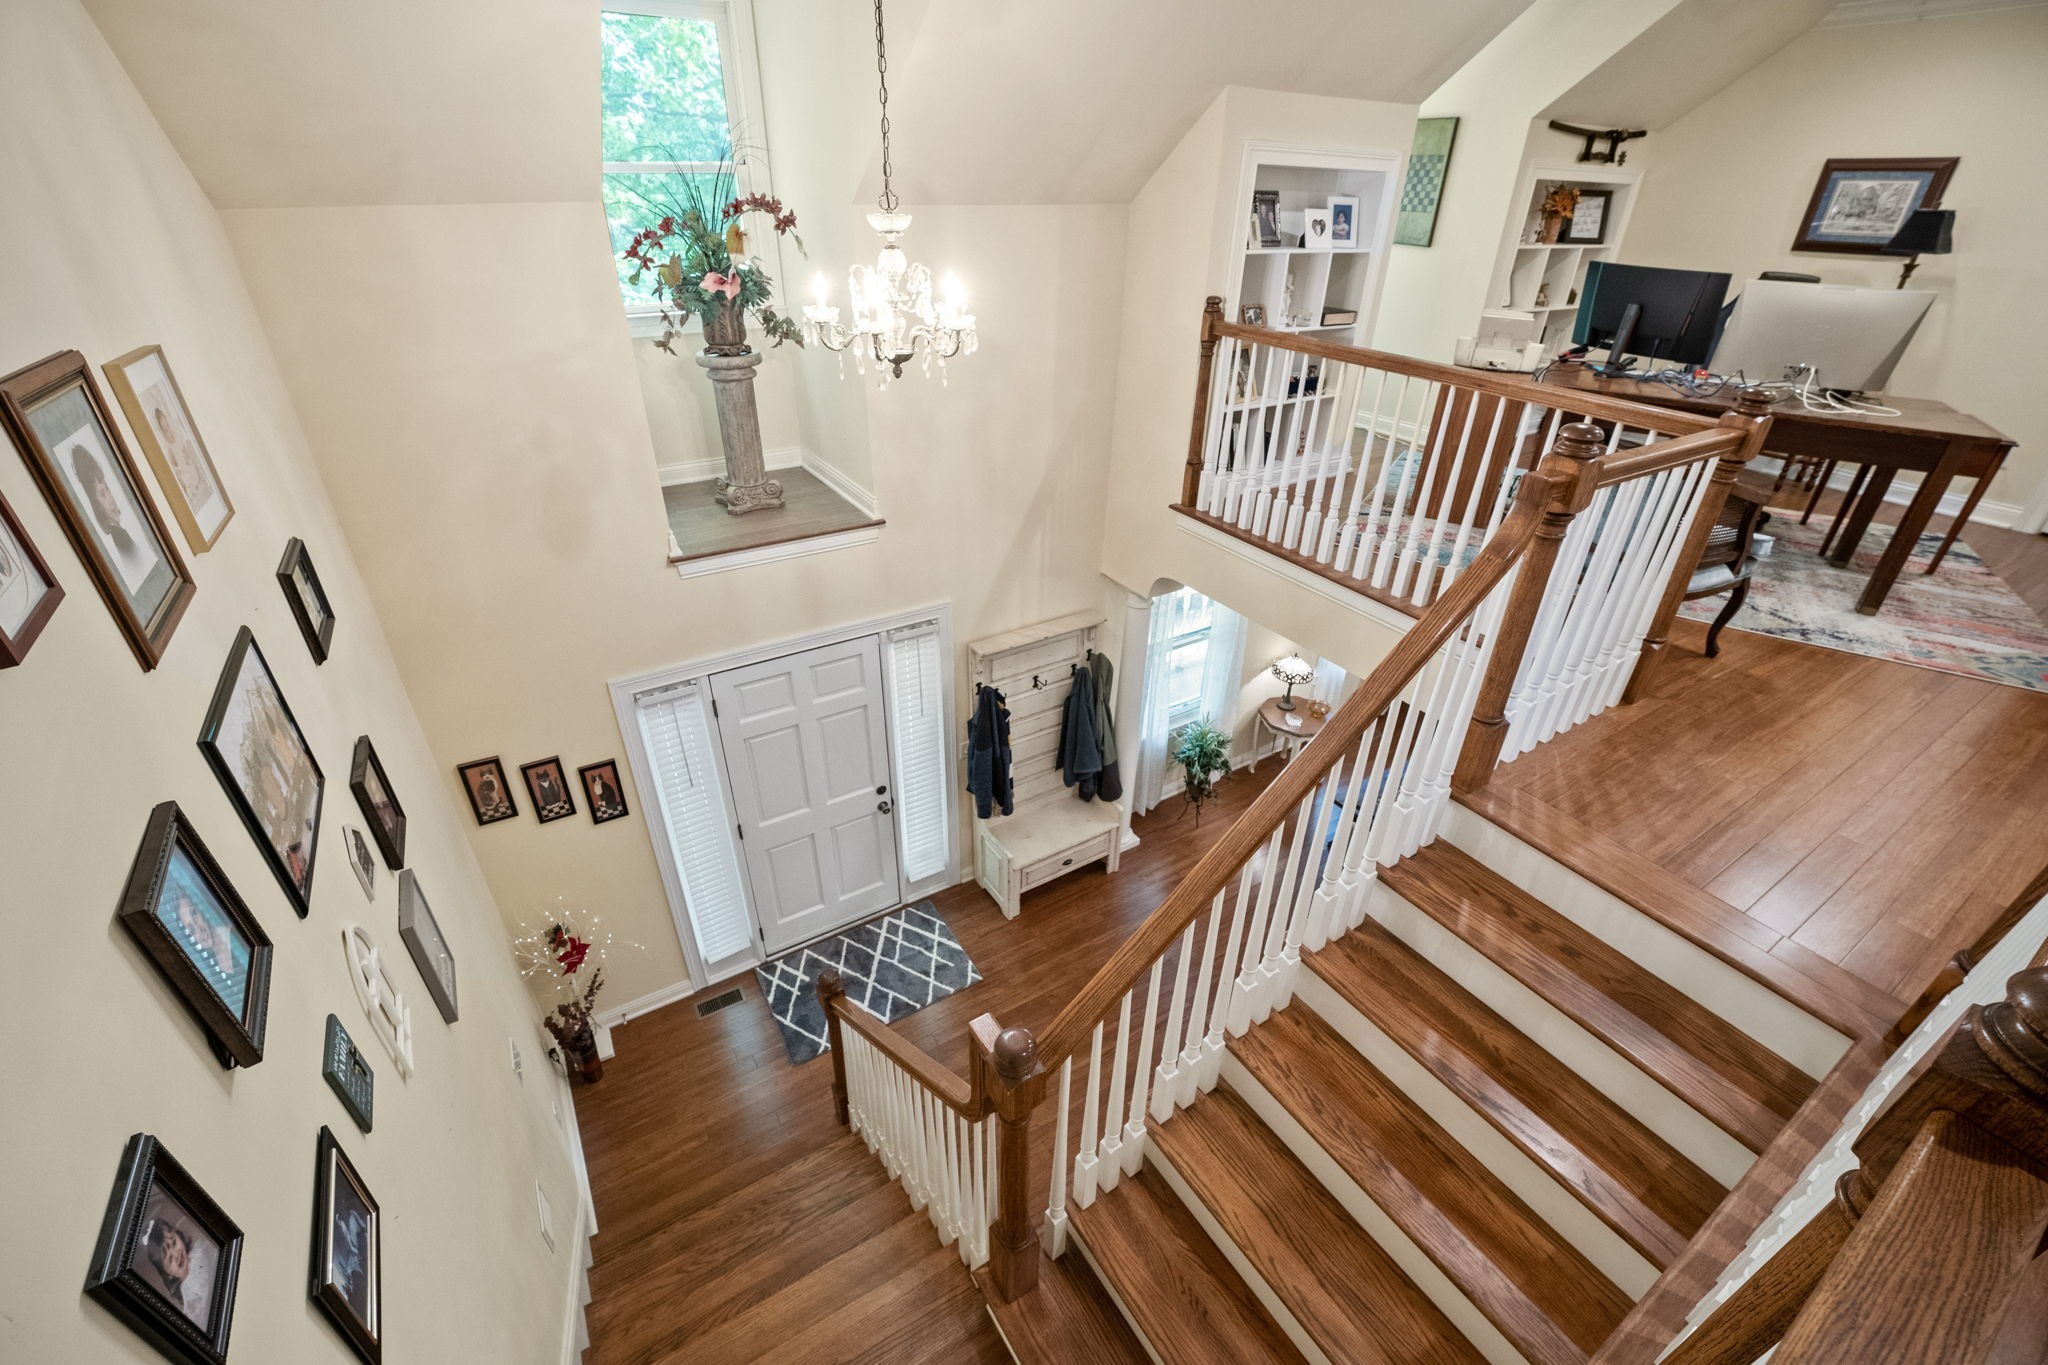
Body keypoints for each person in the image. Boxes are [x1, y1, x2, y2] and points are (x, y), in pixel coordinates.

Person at [70, 443, 157, 592]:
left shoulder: (122, 533)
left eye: (107, 489)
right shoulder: (120, 538)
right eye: (102, 494)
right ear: (95, 504)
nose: (110, 499)